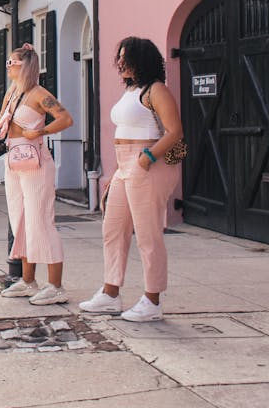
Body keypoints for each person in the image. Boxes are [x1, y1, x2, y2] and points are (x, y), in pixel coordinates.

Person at [79, 37, 184, 323]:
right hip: (125, 165)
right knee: (113, 229)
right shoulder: (131, 91)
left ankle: (152, 300)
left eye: (127, 58)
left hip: (147, 164)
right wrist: (119, 169)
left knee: (148, 234)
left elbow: (174, 131)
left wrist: (145, 158)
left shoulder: (156, 90)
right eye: (120, 57)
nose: (120, 63)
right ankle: (110, 293)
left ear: (143, 60)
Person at [0, 43, 74, 306]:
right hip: (14, 159)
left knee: (41, 220)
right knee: (21, 220)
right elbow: (0, 122)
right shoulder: (12, 93)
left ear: (24, 66)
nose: (7, 67)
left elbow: (65, 119)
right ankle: (28, 281)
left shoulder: (39, 94)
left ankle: (56, 286)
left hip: (36, 160)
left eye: (11, 62)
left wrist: (40, 132)